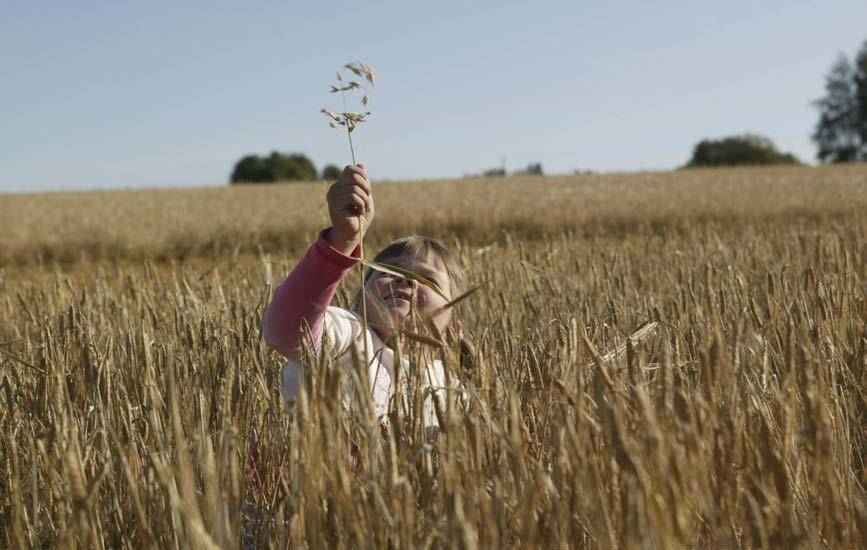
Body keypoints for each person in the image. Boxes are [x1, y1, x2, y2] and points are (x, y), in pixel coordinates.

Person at [261, 164, 468, 428]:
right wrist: (342, 242)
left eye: (426, 279)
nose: (404, 280)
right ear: (360, 301)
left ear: (453, 331)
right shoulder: (348, 334)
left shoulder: (454, 392)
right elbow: (286, 331)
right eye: (388, 271)